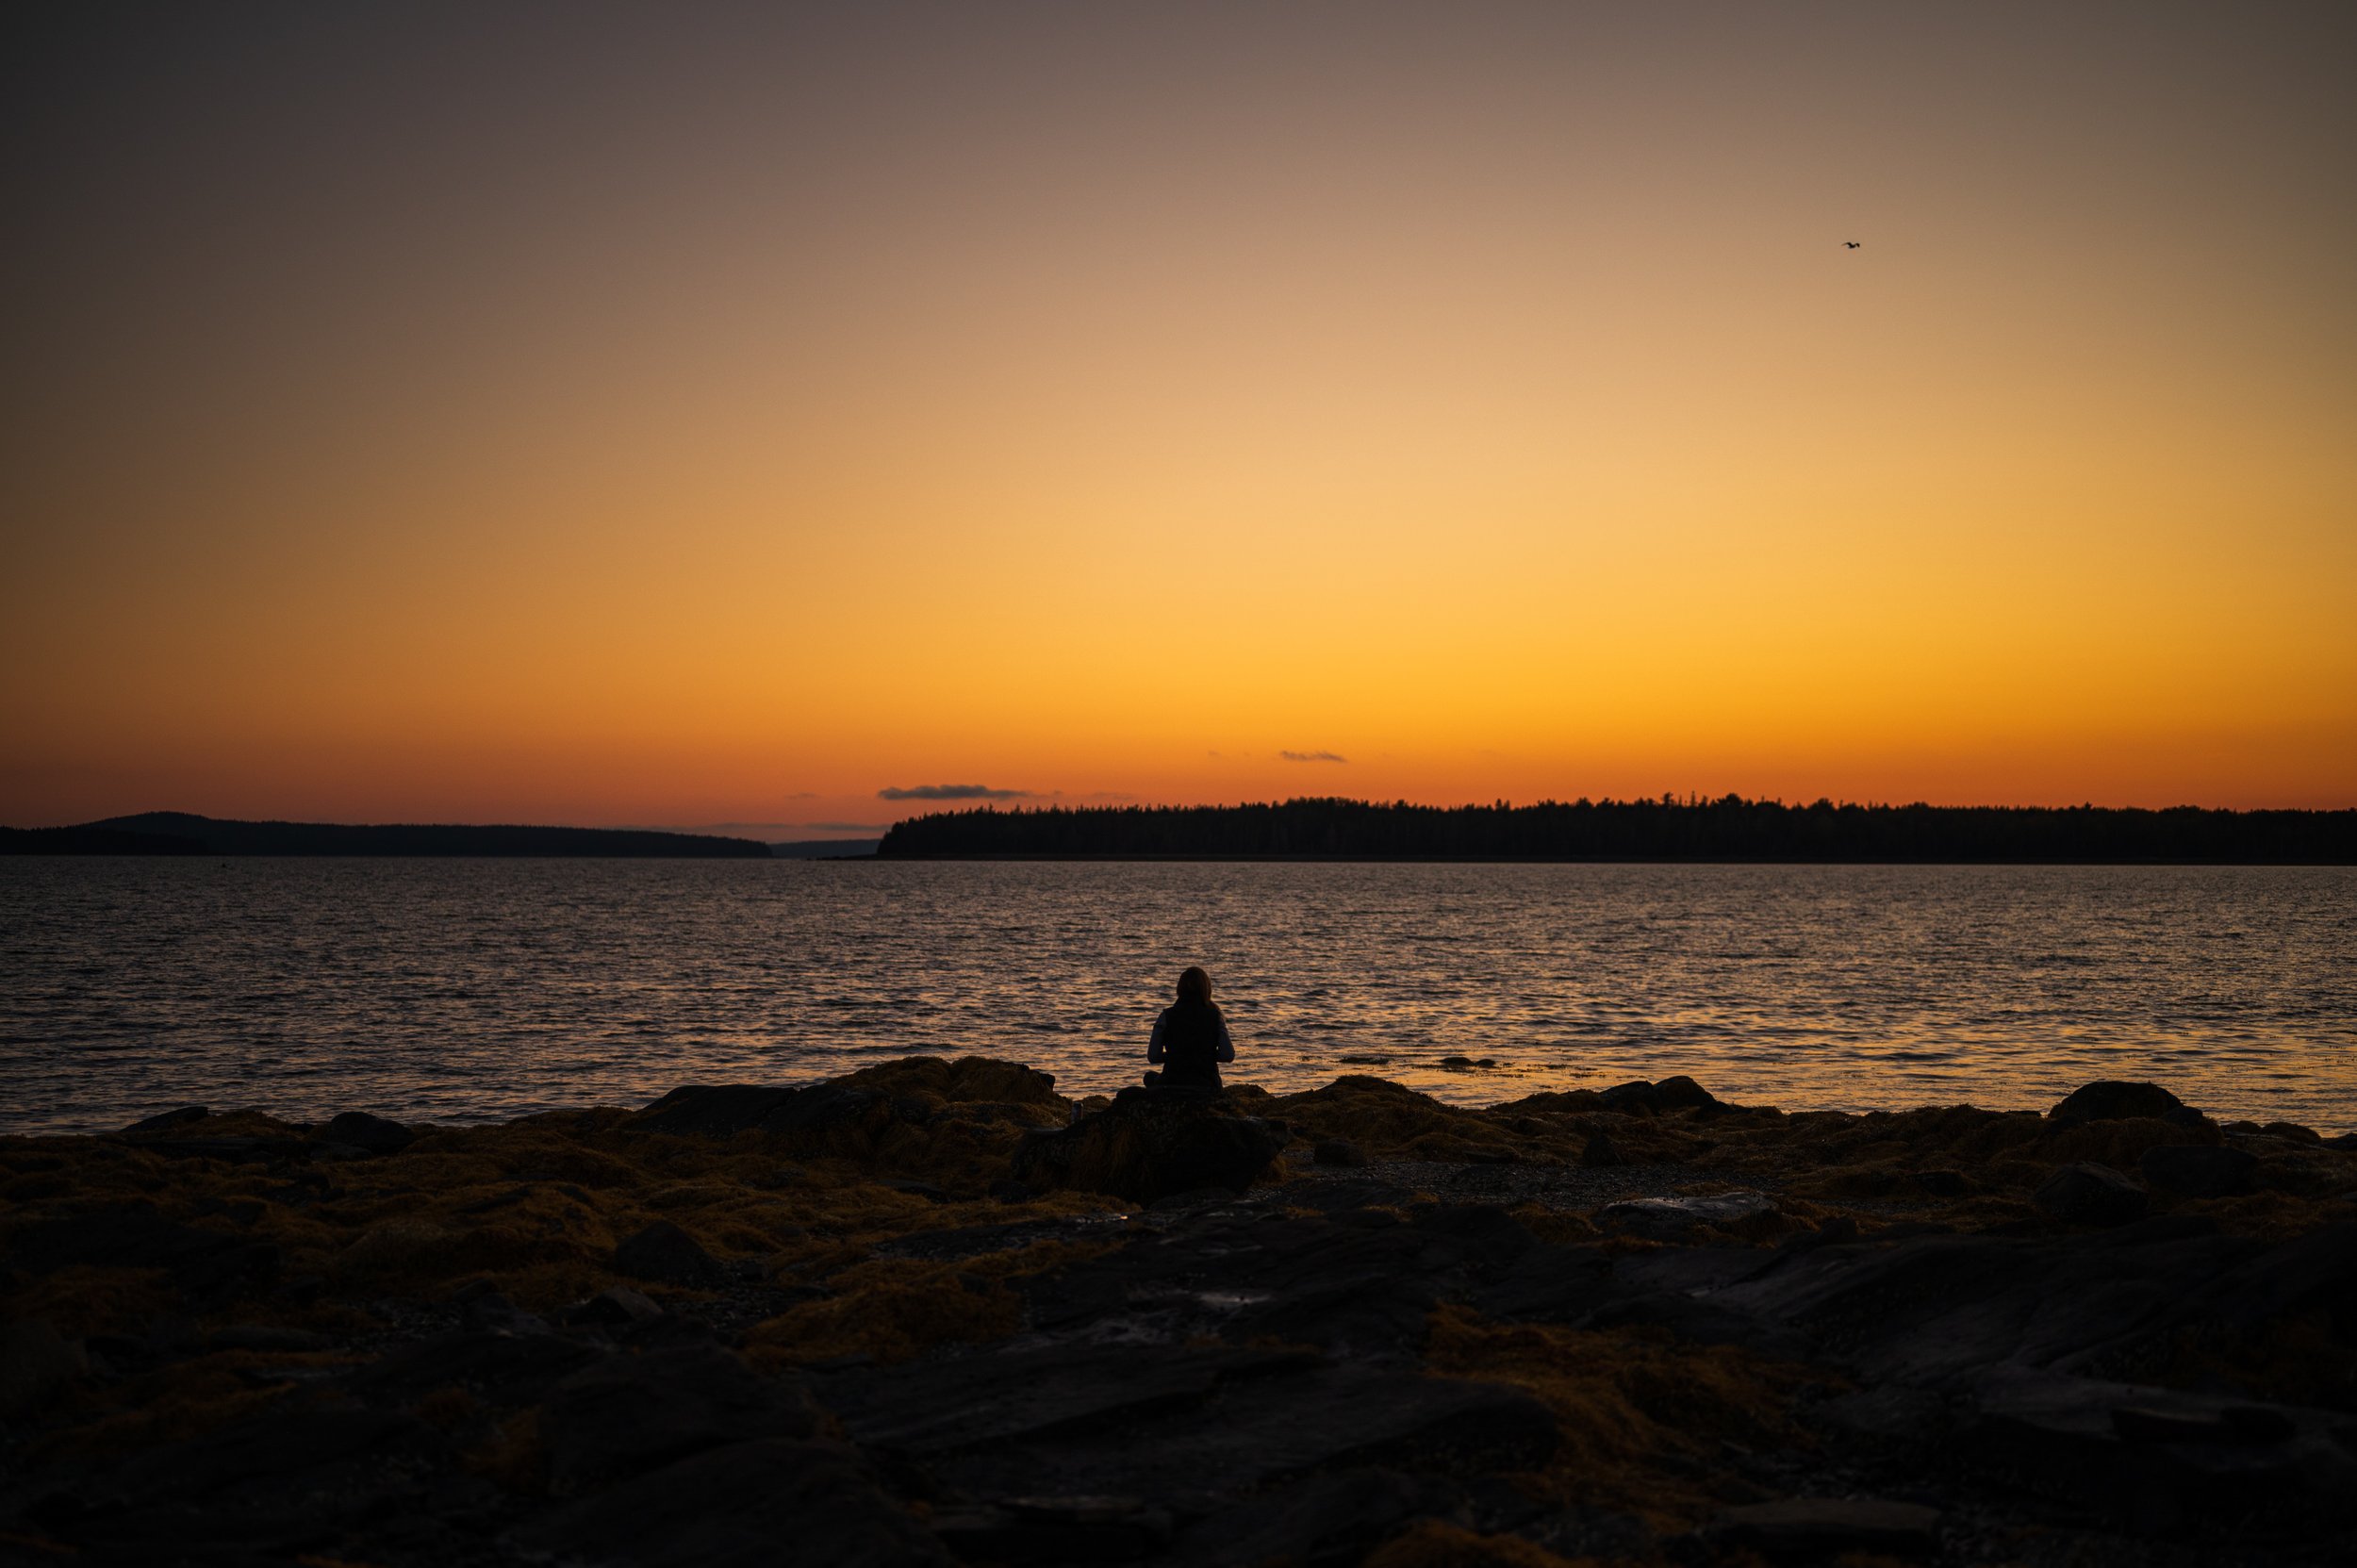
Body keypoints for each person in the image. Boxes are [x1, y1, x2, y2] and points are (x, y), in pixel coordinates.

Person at [1144, 966, 1234, 1091]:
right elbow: (1228, 1055)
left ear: (1179, 989)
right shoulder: (1215, 1016)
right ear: (1206, 989)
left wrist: (1177, 1055)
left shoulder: (1166, 1016)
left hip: (1172, 1083)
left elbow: (1153, 1056)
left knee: (1148, 1077)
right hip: (1207, 1085)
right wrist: (1203, 1055)